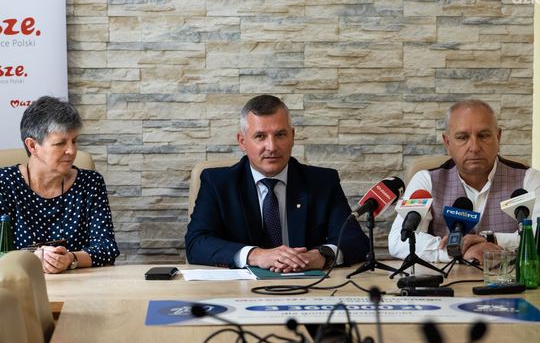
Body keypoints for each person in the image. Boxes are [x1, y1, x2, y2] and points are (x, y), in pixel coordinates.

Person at [186, 94, 369, 271]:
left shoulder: (323, 182)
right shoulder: (218, 183)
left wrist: (320, 256)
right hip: (241, 286)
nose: (272, 147)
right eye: (260, 136)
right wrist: (256, 255)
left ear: (292, 136)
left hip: (306, 283)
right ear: (242, 142)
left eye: (280, 134)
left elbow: (355, 241)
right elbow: (197, 243)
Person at [388, 100, 540, 264]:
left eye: (483, 136)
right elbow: (399, 240)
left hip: (507, 278)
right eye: (463, 137)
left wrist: (493, 241)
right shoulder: (426, 180)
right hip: (448, 278)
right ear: (447, 142)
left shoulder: (529, 179)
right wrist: (454, 251)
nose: (474, 147)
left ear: (498, 137)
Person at [0, 96, 120, 273]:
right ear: (32, 146)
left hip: (80, 284)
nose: (71, 150)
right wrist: (31, 259)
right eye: (60, 143)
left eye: (74, 141)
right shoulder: (4, 183)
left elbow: (107, 248)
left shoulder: (90, 183)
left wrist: (70, 259)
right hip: (20, 285)